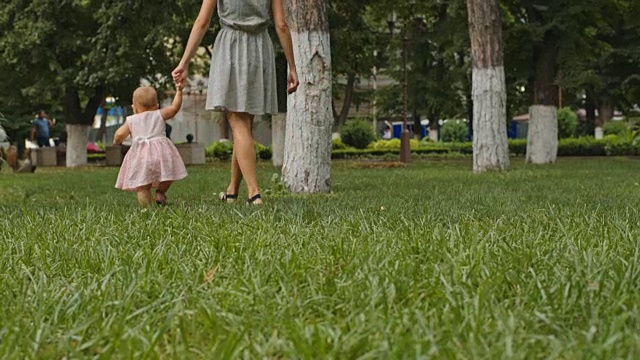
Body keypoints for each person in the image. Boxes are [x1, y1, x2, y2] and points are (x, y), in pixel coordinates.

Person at [172, 0, 299, 205]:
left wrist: (184, 62)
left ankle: (254, 193)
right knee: (245, 126)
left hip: (230, 48)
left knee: (238, 125)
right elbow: (282, 25)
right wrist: (292, 66)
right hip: (259, 49)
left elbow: (202, 22)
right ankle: (232, 190)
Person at [113, 83, 188, 207]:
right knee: (168, 176)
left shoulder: (132, 120)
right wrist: (179, 91)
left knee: (142, 186)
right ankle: (160, 192)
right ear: (156, 106)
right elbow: (174, 108)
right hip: (162, 154)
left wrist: (117, 141)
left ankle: (147, 210)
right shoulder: (159, 114)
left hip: (141, 157)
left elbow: (120, 134)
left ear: (134, 108)